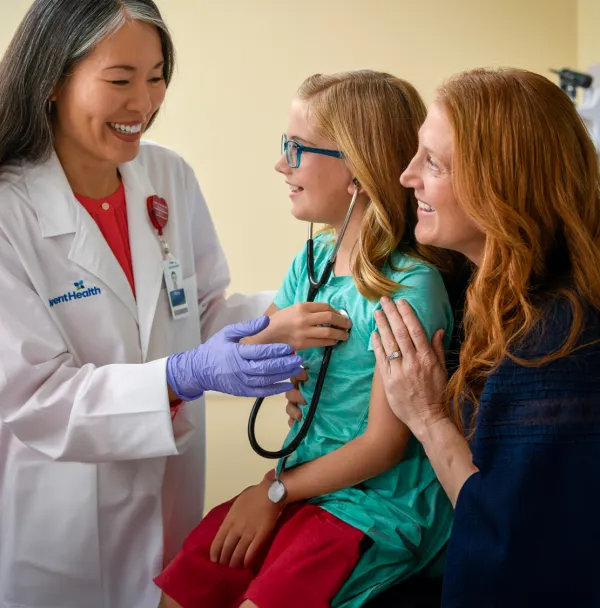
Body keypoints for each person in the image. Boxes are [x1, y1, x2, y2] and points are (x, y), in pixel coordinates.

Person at [0, 2, 340, 607]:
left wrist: (310, 308)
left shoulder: (168, 178)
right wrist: (186, 374)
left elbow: (204, 314)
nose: (145, 103)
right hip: (56, 530)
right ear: (51, 81)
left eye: (156, 77)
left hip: (167, 501)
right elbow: (36, 398)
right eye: (121, 80)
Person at [155, 71, 466, 608]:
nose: (281, 164)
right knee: (189, 581)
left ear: (357, 169)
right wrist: (274, 338)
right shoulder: (314, 262)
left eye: (295, 149)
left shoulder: (409, 288)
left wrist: (272, 492)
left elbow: (383, 445)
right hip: (307, 486)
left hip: (375, 503)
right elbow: (250, 355)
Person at [367, 67, 600, 607]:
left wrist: (427, 417)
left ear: (500, 185)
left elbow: (512, 549)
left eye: (433, 163)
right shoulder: (493, 296)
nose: (406, 177)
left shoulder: (557, 344)